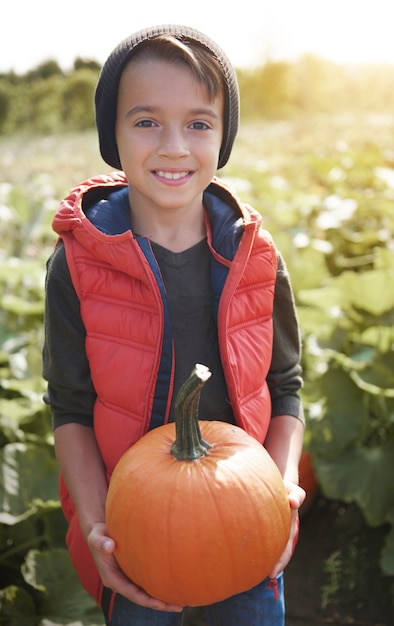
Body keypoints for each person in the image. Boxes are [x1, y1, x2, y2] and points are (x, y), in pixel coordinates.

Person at [42, 24, 306, 626]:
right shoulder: (79, 263)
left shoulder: (255, 257)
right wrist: (96, 525)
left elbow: (286, 387)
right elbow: (70, 407)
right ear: (112, 133)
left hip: (248, 514)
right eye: (145, 122)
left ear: (222, 137)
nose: (173, 146)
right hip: (135, 528)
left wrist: (283, 491)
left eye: (198, 123)